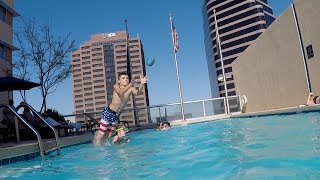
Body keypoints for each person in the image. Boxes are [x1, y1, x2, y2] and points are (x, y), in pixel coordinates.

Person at [93, 72, 147, 145]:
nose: (126, 79)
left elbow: (137, 93)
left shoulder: (131, 88)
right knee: (102, 133)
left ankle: (103, 145)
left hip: (116, 115)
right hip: (108, 112)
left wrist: (142, 84)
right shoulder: (116, 86)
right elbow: (121, 93)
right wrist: (131, 84)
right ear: (119, 81)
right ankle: (96, 146)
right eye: (123, 78)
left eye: (127, 78)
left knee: (109, 134)